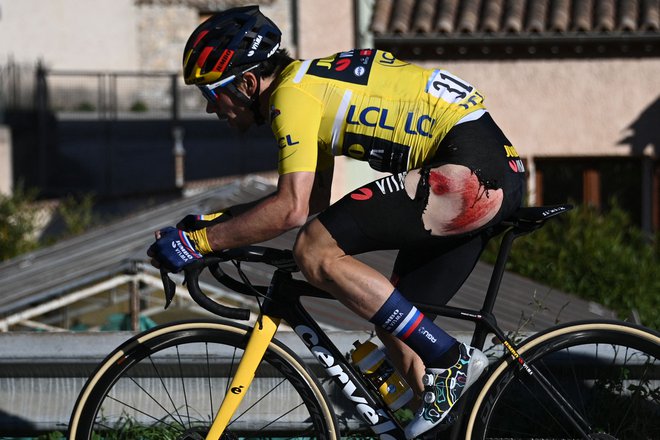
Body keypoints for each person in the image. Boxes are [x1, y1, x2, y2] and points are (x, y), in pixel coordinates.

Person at [148, 5, 526, 438]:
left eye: (213, 95)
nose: (213, 111)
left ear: (249, 82)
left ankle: (450, 360)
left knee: (313, 249)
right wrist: (209, 226)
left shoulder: (292, 99)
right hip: (488, 171)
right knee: (398, 327)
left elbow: (291, 211)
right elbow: (312, 201)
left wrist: (201, 243)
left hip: (469, 169)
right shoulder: (311, 88)